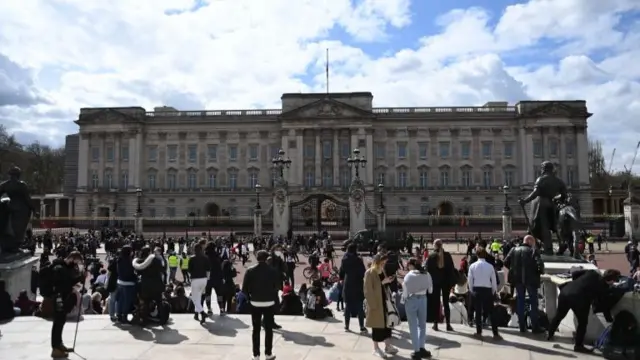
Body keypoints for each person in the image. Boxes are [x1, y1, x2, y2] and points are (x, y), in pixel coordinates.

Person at [547, 269, 620, 353]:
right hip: (579, 299)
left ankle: (550, 334)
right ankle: (578, 346)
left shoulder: (592, 272)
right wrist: (609, 319)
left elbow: (574, 273)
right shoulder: (603, 288)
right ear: (611, 280)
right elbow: (603, 305)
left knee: (559, 315)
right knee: (582, 323)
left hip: (565, 292)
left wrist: (579, 284)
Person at [518, 161, 568, 255]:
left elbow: (536, 193)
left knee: (540, 226)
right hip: (551, 204)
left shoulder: (541, 179)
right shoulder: (558, 181)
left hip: (540, 204)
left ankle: (547, 248)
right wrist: (556, 199)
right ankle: (561, 243)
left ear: (544, 169)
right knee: (554, 225)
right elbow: (564, 195)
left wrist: (525, 200)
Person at [242, 250, 280, 360]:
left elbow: (244, 289)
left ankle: (256, 355)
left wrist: (250, 298)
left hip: (255, 302)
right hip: (269, 302)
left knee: (256, 329)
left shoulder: (250, 270)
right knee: (269, 329)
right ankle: (268, 353)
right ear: (267, 258)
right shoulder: (273, 271)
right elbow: (277, 287)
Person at [503, 234, 544, 333]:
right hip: (531, 280)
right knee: (533, 302)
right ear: (530, 242)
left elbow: (505, 262)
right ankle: (535, 326)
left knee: (520, 301)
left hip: (518, 280)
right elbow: (540, 267)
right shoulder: (533, 251)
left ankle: (522, 326)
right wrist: (537, 272)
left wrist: (514, 270)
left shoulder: (513, 250)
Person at [50, 251, 85, 358]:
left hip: (65, 297)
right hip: (59, 298)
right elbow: (61, 285)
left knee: (61, 321)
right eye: (76, 262)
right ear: (72, 258)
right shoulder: (59, 268)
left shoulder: (66, 268)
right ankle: (55, 348)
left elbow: (69, 282)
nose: (75, 265)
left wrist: (80, 278)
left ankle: (59, 344)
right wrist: (78, 279)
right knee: (58, 322)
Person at [364, 254, 399, 358]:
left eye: (384, 263)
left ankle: (387, 346)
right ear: (377, 262)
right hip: (376, 303)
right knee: (377, 327)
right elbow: (368, 290)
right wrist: (382, 282)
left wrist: (387, 281)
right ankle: (376, 348)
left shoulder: (381, 271)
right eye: (382, 263)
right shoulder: (370, 273)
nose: (383, 265)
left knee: (387, 325)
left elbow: (383, 285)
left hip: (384, 302)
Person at [402, 258, 433, 359]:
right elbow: (431, 290)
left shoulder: (408, 276)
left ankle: (416, 350)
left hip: (411, 299)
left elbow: (405, 293)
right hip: (423, 299)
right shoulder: (426, 274)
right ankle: (421, 347)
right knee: (422, 325)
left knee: (413, 326)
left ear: (412, 266)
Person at [468, 248, 502, 340]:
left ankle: (479, 332)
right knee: (491, 312)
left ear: (477, 255)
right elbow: (494, 281)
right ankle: (495, 333)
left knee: (478, 312)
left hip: (476, 289)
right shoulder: (490, 266)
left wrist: (471, 290)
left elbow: (470, 280)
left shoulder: (472, 266)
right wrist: (493, 291)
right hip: (487, 289)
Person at [426, 239, 455, 331]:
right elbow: (451, 270)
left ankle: (435, 324)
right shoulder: (447, 256)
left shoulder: (431, 256)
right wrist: (451, 283)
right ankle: (448, 324)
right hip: (445, 282)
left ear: (435, 246)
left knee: (436, 303)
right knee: (446, 303)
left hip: (435, 282)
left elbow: (427, 270)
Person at [339, 243, 367, 333]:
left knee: (348, 306)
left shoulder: (344, 259)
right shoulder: (358, 260)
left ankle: (346, 326)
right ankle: (362, 326)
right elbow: (363, 272)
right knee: (359, 307)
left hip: (348, 283)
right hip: (358, 284)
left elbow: (341, 271)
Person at [188, 243, 210, 324]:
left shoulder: (192, 258)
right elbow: (208, 270)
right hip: (204, 279)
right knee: (198, 297)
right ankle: (196, 314)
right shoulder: (206, 258)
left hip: (195, 279)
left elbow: (189, 270)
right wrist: (207, 279)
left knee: (194, 298)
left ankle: (202, 313)